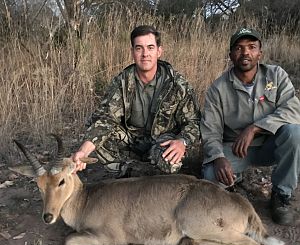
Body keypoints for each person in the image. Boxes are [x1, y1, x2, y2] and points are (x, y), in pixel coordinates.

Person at [201, 27, 300, 225]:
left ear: (259, 53)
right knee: (211, 176)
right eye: (238, 48)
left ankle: (281, 195)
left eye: (251, 47)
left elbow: (293, 110)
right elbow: (210, 130)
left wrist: (255, 128)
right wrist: (218, 157)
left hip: (271, 145)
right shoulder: (217, 89)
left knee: (295, 132)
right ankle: (234, 178)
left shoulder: (276, 75)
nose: (245, 52)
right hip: (237, 149)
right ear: (231, 55)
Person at [73, 25, 200, 176]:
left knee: (170, 160)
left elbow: (194, 121)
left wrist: (182, 142)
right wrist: (83, 151)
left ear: (159, 51)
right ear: (132, 52)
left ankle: (155, 181)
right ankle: (130, 176)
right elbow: (105, 119)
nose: (145, 54)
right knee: (98, 138)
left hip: (162, 141)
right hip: (132, 140)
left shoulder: (177, 84)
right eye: (139, 48)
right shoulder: (122, 82)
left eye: (150, 47)